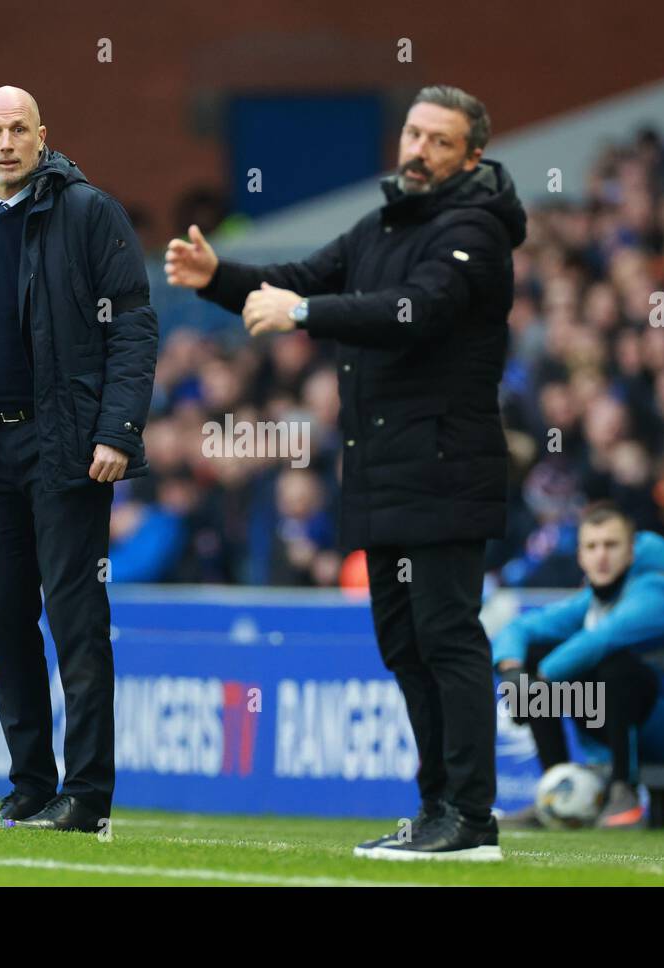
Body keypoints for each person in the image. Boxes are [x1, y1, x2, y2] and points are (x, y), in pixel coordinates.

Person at [167, 85, 527, 860]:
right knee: (403, 645)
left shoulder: (475, 230)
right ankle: (438, 813)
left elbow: (417, 311)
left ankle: (472, 817)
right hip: (383, 473)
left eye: (440, 141)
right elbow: (304, 275)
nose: (419, 150)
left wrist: (302, 316)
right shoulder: (379, 225)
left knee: (448, 638)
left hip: (444, 468)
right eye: (414, 133)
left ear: (472, 158)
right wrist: (219, 277)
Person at [0, 86, 158, 832]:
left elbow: (134, 327)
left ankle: (85, 797)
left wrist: (117, 429)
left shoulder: (87, 211)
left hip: (68, 446)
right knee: (2, 616)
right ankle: (29, 786)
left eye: (20, 128)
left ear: (43, 136)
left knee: (76, 618)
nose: (8, 141)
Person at [492, 502, 664, 828]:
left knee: (612, 663)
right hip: (627, 714)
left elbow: (602, 638)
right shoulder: (593, 597)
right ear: (580, 556)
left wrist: (537, 687)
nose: (601, 555)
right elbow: (521, 628)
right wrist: (513, 673)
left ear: (630, 553)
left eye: (611, 545)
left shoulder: (660, 591)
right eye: (592, 546)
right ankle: (557, 791)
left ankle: (623, 791)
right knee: (535, 652)